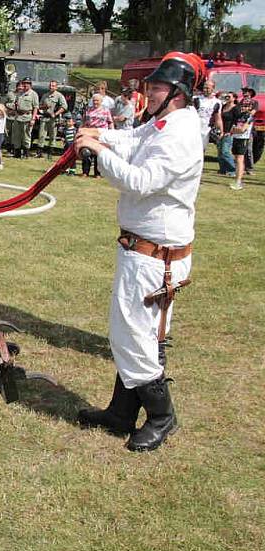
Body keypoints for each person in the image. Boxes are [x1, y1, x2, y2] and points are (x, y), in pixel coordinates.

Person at [75, 52, 205, 452]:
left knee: (134, 334)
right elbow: (134, 138)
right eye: (150, 86)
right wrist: (99, 136)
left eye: (158, 87)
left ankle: (162, 416)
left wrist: (97, 152)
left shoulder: (181, 134)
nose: (149, 92)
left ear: (178, 94)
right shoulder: (164, 124)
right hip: (143, 250)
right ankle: (121, 412)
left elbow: (141, 180)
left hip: (155, 257)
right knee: (132, 332)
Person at [80, 93, 113, 177]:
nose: (95, 102)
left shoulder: (106, 110)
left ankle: (97, 173)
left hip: (101, 133)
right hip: (89, 132)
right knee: (86, 152)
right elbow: (83, 121)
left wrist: (112, 133)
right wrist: (81, 131)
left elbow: (110, 122)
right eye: (94, 100)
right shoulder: (88, 110)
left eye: (97, 100)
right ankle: (85, 172)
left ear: (101, 101)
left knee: (98, 153)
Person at [36, 80, 68, 158]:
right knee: (41, 135)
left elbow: (64, 106)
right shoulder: (45, 95)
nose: (51, 87)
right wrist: (43, 107)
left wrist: (56, 113)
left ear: (56, 87)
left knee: (52, 136)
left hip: (53, 119)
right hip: (44, 117)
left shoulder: (59, 96)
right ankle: (39, 153)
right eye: (50, 85)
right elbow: (40, 106)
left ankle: (50, 153)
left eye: (53, 86)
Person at [229, 96, 254, 191]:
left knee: (240, 159)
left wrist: (236, 130)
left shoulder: (249, 116)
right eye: (242, 105)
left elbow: (242, 129)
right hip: (236, 138)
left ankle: (238, 181)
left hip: (243, 139)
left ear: (250, 107)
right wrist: (236, 130)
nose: (243, 107)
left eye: (246, 106)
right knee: (236, 159)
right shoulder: (239, 115)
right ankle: (237, 179)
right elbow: (232, 128)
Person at [11, 77, 39, 159]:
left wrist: (33, 119)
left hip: (27, 116)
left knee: (26, 135)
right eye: (24, 83)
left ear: (30, 85)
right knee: (17, 135)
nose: (25, 85)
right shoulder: (20, 93)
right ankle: (17, 153)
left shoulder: (33, 94)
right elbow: (16, 105)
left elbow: (35, 107)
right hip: (18, 116)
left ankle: (26, 153)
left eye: (27, 83)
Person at [194, 79, 222, 150]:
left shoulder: (217, 102)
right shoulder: (196, 99)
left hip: (206, 129)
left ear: (213, 88)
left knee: (201, 149)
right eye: (204, 87)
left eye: (207, 88)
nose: (205, 90)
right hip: (194, 127)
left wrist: (221, 130)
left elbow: (218, 118)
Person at [217, 92, 237, 175]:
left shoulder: (236, 108)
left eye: (229, 96)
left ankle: (232, 170)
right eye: (226, 96)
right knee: (220, 151)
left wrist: (231, 131)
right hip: (221, 131)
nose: (227, 97)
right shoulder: (223, 106)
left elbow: (237, 121)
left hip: (228, 133)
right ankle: (222, 169)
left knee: (225, 151)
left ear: (234, 98)